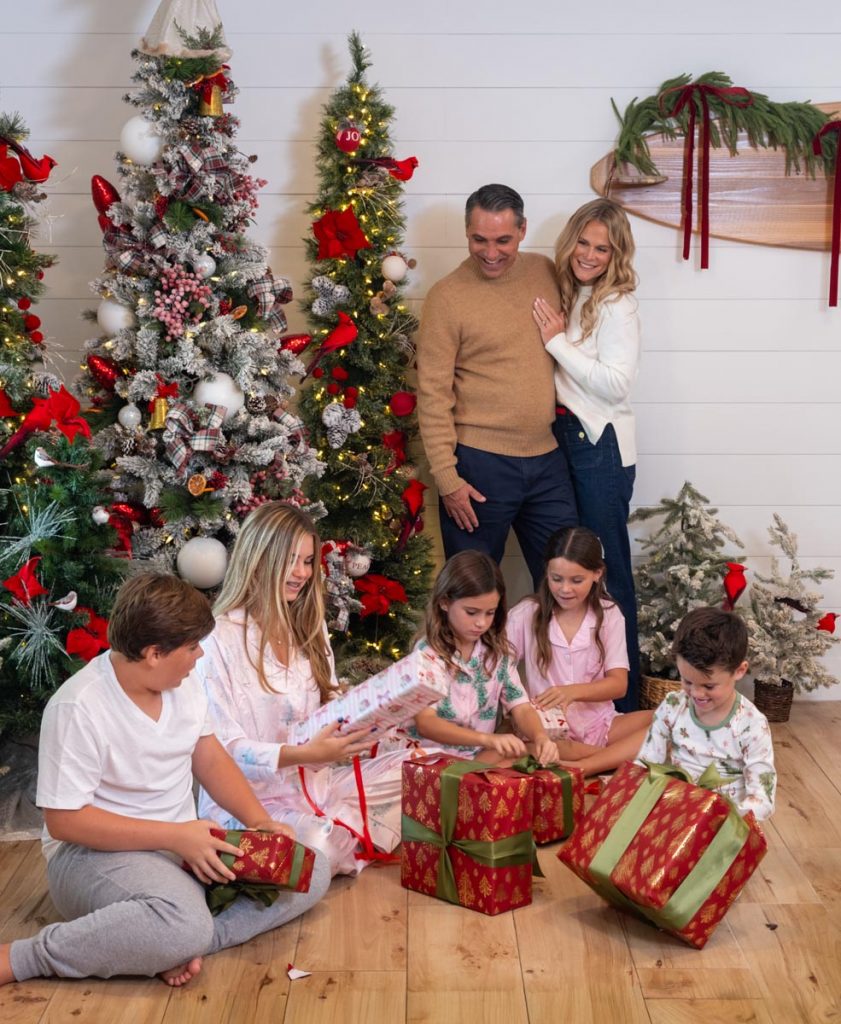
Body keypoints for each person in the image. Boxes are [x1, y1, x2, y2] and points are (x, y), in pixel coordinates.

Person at [0, 573, 329, 990]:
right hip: (92, 856)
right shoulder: (78, 706)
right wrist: (176, 837)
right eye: (191, 647)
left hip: (182, 846)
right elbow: (66, 823)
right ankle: (25, 957)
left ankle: (170, 944)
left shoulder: (185, 684)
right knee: (181, 920)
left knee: (310, 869)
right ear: (154, 653)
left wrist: (259, 820)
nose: (199, 655)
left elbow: (210, 759)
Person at [197, 501, 418, 877]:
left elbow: (326, 707)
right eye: (291, 560)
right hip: (251, 805)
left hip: (318, 784)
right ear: (258, 557)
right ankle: (326, 843)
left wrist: (362, 719)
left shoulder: (309, 631)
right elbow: (223, 752)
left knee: (419, 769)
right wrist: (304, 753)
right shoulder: (217, 640)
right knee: (318, 845)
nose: (301, 573)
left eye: (307, 561)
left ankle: (325, 844)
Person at [416, 183, 577, 589]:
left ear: (523, 230)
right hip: (478, 465)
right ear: (466, 232)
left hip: (547, 458)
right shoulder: (447, 297)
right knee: (472, 592)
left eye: (503, 240)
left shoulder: (545, 273)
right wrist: (448, 479)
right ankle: (467, 657)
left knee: (569, 581)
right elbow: (433, 395)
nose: (491, 252)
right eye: (479, 240)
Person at [532, 198, 641, 710]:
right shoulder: (575, 292)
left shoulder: (617, 303)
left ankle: (626, 706)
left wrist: (556, 342)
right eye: (585, 242)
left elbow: (617, 385)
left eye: (604, 248)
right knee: (571, 568)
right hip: (569, 439)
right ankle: (575, 699)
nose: (591, 255)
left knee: (609, 573)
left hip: (602, 445)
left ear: (616, 255)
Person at [412, 550, 599, 765]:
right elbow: (425, 723)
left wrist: (540, 737)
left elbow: (521, 707)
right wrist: (488, 739)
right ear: (444, 603)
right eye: (471, 612)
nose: (481, 623)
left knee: (542, 752)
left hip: (481, 755)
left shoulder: (496, 652)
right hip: (431, 760)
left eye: (489, 613)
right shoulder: (427, 653)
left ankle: (618, 764)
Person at [507, 527, 652, 776]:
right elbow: (499, 668)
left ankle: (586, 761)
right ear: (546, 572)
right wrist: (522, 712)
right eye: (556, 579)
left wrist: (571, 693)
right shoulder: (526, 613)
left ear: (597, 573)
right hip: (548, 731)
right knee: (541, 746)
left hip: (602, 725)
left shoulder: (609, 614)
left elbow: (619, 685)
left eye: (576, 580)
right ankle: (612, 758)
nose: (565, 589)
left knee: (668, 719)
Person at [636, 607, 776, 820]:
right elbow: (646, 764)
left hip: (724, 823)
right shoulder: (674, 705)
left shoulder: (751, 725)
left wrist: (723, 820)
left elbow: (763, 799)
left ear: (739, 671)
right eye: (687, 681)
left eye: (709, 686)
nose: (696, 693)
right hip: (675, 812)